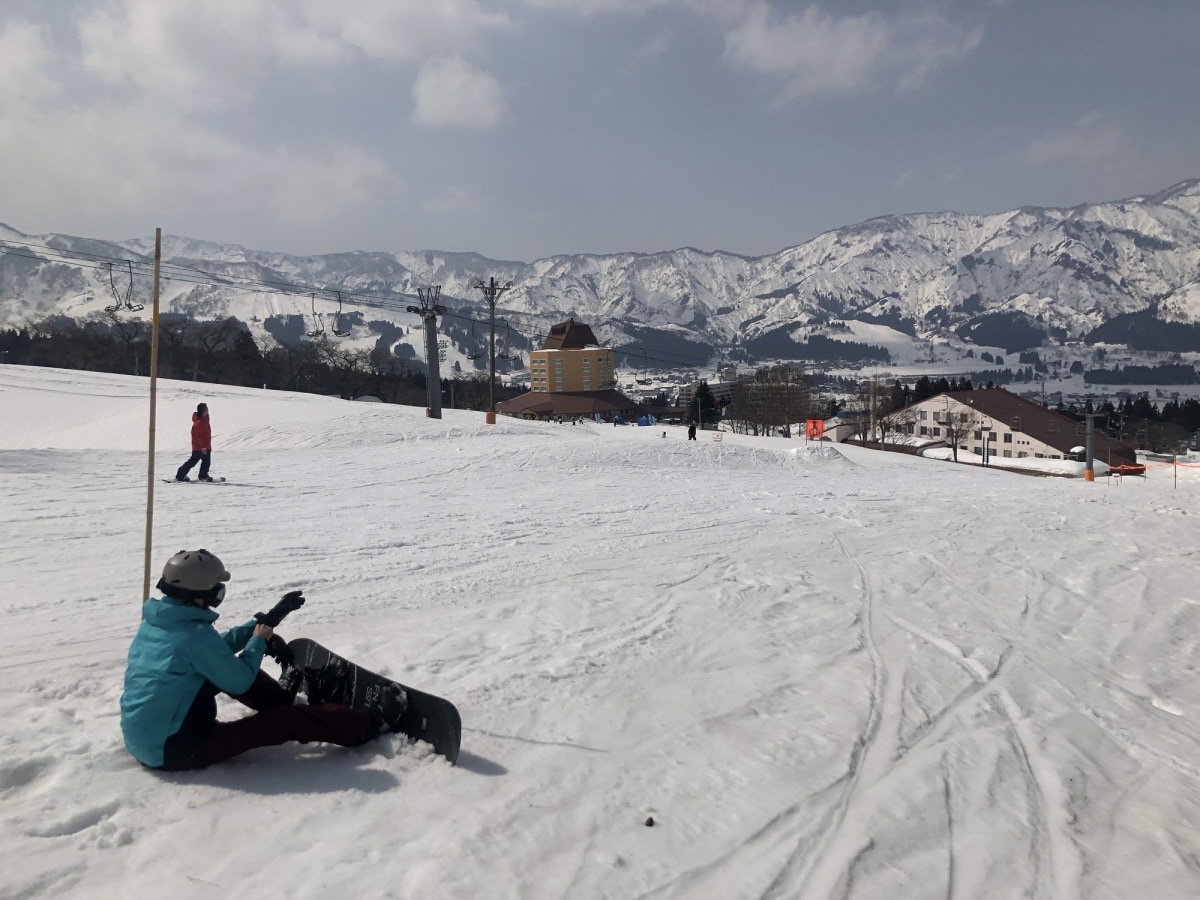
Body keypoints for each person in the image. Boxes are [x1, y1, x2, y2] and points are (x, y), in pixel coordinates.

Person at [119, 549, 406, 770]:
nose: (219, 594)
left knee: (223, 670)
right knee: (283, 721)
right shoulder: (191, 635)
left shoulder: (161, 623)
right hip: (175, 749)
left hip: (153, 735)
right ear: (201, 593)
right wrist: (257, 642)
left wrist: (268, 621)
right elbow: (241, 680)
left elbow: (214, 651)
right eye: (217, 589)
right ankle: (365, 726)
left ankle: (278, 697)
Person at [176, 403, 214, 482]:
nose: (208, 411)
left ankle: (203, 475)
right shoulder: (199, 423)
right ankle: (181, 474)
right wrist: (203, 447)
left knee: (206, 462)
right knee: (193, 461)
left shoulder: (205, 421)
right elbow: (199, 437)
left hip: (205, 446)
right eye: (206, 410)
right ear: (202, 411)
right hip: (199, 447)